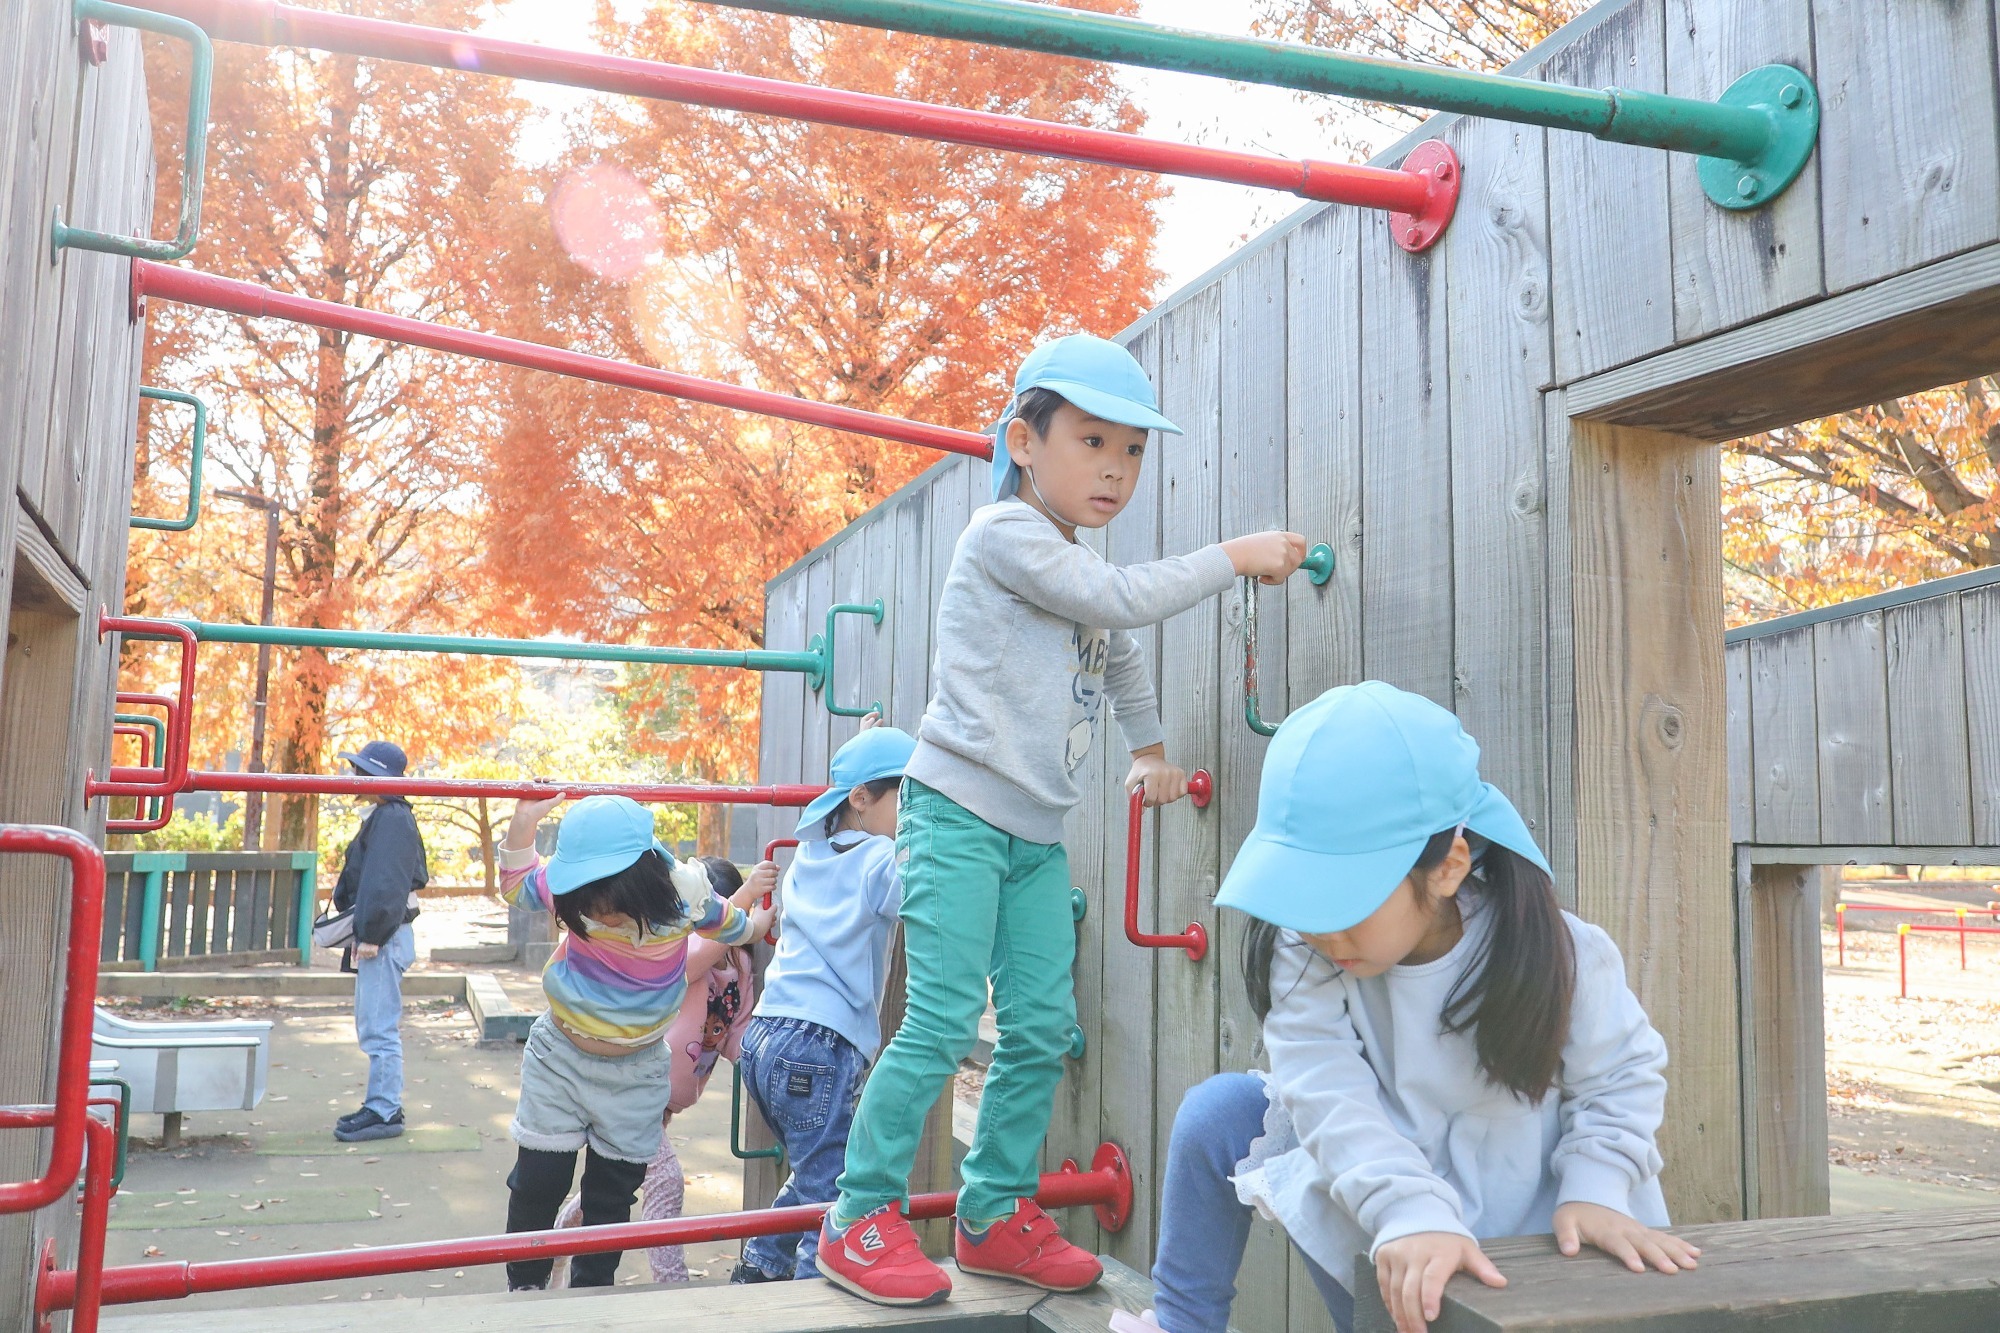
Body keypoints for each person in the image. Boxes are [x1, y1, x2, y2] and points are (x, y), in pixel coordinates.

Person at [814, 333, 1307, 1308]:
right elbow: (1116, 599)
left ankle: (992, 1211)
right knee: (941, 1019)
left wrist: (1149, 748)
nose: (1115, 469)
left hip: (1033, 835)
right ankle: (856, 1213)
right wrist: (1230, 557)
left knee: (1041, 1025)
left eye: (1132, 451)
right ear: (1024, 442)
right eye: (1092, 442)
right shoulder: (1003, 535)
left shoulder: (1066, 559)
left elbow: (1113, 644)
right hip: (956, 813)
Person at [1111, 683, 1699, 1333]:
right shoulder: (1306, 950)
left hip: (1542, 1242)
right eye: (1301, 896)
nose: (1321, 928)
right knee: (1223, 1112)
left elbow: (1620, 1076)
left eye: (1344, 898)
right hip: (1391, 1210)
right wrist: (1409, 1211)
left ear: (1447, 867)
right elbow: (1324, 1092)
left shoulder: (1559, 951)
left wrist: (1597, 1187)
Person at [496, 794, 776, 1291]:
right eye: (585, 901)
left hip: (638, 1070)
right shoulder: (568, 885)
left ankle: (592, 1292)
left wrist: (757, 923)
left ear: (640, 880)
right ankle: (526, 1288)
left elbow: (732, 926)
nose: (597, 912)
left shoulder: (685, 895)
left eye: (606, 899)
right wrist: (522, 825)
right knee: (537, 1182)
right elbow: (517, 884)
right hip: (560, 1058)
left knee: (612, 1195)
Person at [733, 716, 915, 1284]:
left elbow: (855, 810)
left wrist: (868, 742)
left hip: (764, 1036)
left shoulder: (809, 855)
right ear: (860, 798)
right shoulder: (881, 860)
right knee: (834, 1192)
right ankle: (816, 1297)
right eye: (908, 800)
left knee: (815, 1172)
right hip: (819, 1045)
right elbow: (921, 888)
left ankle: (761, 1265)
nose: (914, 815)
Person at [551, 857, 762, 1288]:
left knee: (617, 1183)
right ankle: (672, 1287)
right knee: (665, 1180)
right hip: (635, 1085)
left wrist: (768, 1064)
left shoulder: (740, 967)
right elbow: (694, 961)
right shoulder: (676, 951)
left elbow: (737, 1032)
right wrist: (745, 905)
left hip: (664, 1099)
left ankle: (555, 1244)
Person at [330, 740, 428, 1144]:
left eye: (361, 772)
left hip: (384, 935)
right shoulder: (387, 816)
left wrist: (370, 934)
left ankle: (385, 1109)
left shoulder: (391, 818)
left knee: (378, 1027)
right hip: (383, 932)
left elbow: (385, 882)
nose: (354, 778)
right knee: (374, 1024)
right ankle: (381, 1104)